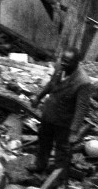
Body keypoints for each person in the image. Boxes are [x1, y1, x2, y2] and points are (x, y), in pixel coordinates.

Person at [29, 48, 93, 181]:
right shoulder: (60, 67)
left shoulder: (83, 81)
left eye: (67, 61)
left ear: (76, 63)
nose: (63, 63)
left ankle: (60, 180)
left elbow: (81, 108)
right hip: (49, 114)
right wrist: (38, 97)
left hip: (64, 122)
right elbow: (51, 84)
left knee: (62, 152)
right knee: (43, 142)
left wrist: (74, 131)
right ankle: (40, 165)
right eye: (62, 60)